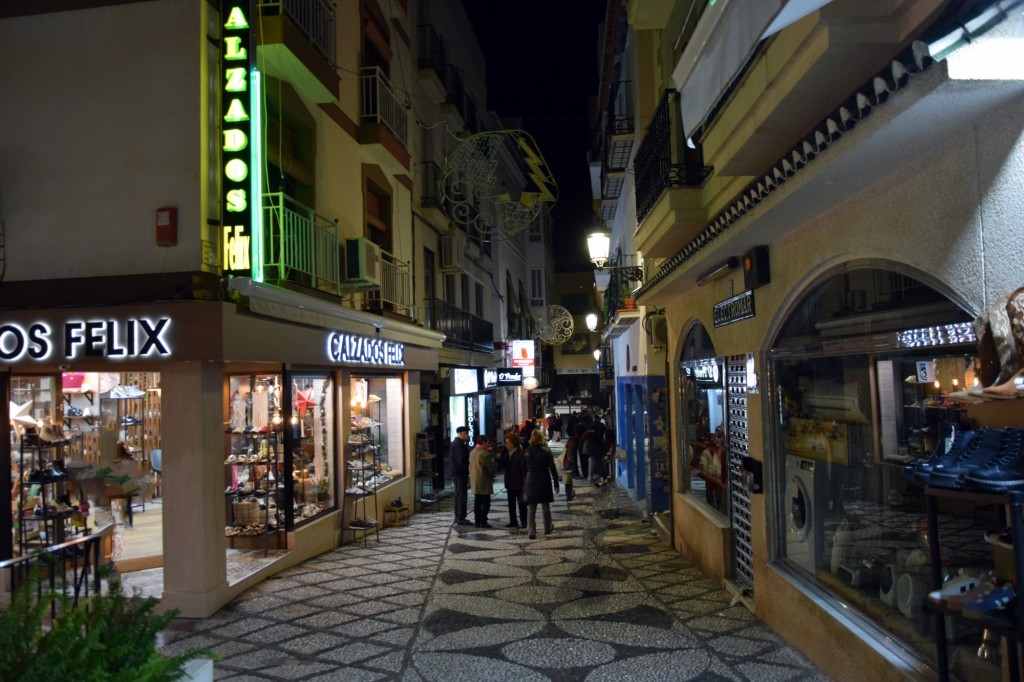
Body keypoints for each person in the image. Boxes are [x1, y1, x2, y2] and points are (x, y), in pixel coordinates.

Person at [523, 429, 559, 539]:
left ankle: (531, 531)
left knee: (531, 507)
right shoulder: (546, 451)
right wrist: (556, 484)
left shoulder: (527, 452)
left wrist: (523, 482)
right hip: (544, 479)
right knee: (545, 506)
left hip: (530, 480)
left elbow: (523, 468)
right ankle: (547, 528)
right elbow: (552, 468)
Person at [469, 437, 497, 528]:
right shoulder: (484, 454)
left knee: (477, 501)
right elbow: (491, 468)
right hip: (484, 481)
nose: (488, 445)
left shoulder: (472, 452)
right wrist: (493, 473)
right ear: (484, 443)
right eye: (487, 443)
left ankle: (477, 521)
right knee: (486, 503)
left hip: (475, 481)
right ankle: (483, 521)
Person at [502, 432, 527, 528]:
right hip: (509, 482)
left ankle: (524, 522)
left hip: (518, 483)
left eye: (507, 442)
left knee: (522, 504)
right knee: (511, 504)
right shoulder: (506, 453)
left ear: (513, 443)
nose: (506, 444)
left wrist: (523, 483)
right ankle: (513, 521)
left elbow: (523, 470)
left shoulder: (520, 454)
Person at [449, 426, 472, 525]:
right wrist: (469, 468)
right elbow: (461, 460)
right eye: (466, 433)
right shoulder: (458, 444)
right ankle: (460, 517)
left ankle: (458, 516)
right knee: (461, 495)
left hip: (458, 473)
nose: (468, 435)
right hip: (459, 474)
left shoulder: (457, 443)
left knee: (459, 495)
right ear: (461, 433)